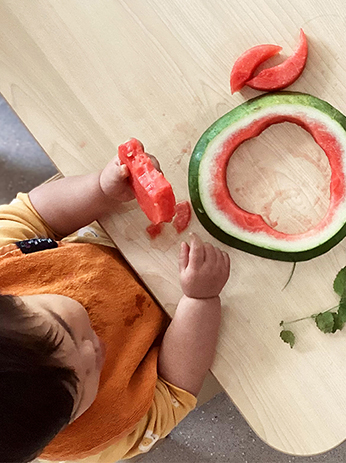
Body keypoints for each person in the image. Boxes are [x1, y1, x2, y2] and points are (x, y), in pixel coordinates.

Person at [0, 145, 231, 461]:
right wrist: (199, 300)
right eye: (85, 387)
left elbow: (33, 214)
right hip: (183, 314)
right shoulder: (96, 441)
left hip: (116, 234)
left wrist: (100, 190)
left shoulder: (4, 266)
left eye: (69, 331)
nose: (93, 351)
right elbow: (172, 391)